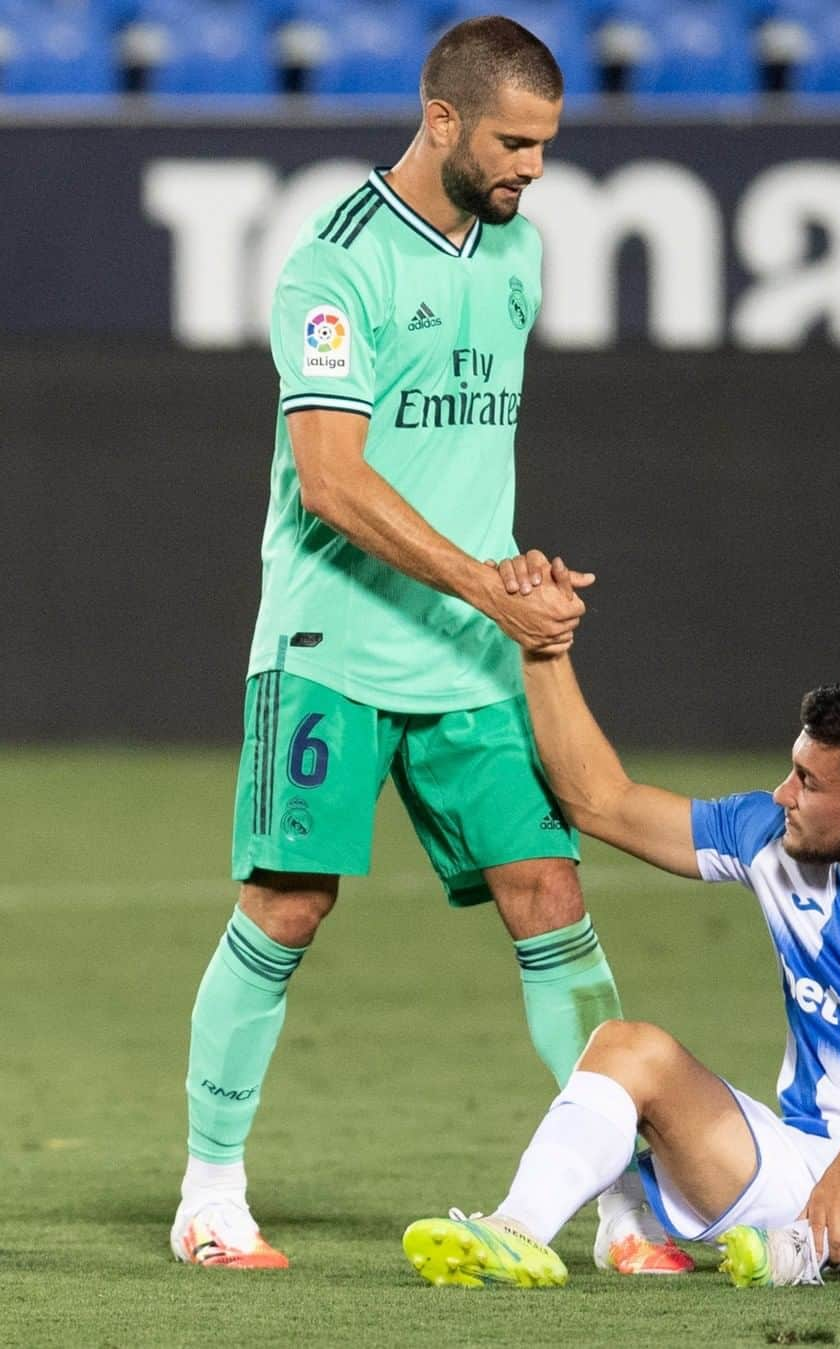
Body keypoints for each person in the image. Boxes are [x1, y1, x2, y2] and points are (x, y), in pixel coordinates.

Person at [170, 21, 689, 1275]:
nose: (534, 169)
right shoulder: (332, 266)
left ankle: (622, 1205)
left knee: (551, 896)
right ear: (443, 119)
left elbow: (460, 461)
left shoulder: (515, 255)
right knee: (286, 904)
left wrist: (511, 575)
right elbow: (335, 480)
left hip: (466, 650)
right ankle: (209, 1196)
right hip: (329, 646)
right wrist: (483, 583)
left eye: (548, 146)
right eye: (515, 142)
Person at [402, 560, 840, 1288]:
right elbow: (601, 800)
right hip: (805, 1172)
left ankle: (803, 1249)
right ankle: (515, 1230)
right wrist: (542, 646)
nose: (782, 792)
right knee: (625, 1046)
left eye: (808, 780)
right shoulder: (774, 834)